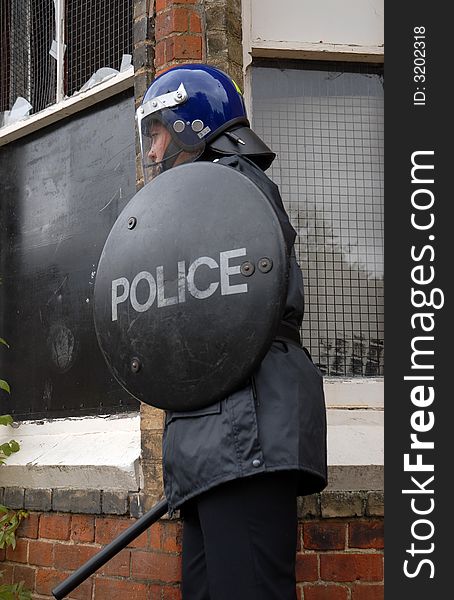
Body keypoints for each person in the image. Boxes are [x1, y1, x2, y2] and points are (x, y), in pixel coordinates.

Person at [136, 64, 327, 600]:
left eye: (158, 133)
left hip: (244, 434)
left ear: (192, 126)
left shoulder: (232, 190)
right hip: (217, 442)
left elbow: (226, 319)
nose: (151, 153)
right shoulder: (209, 198)